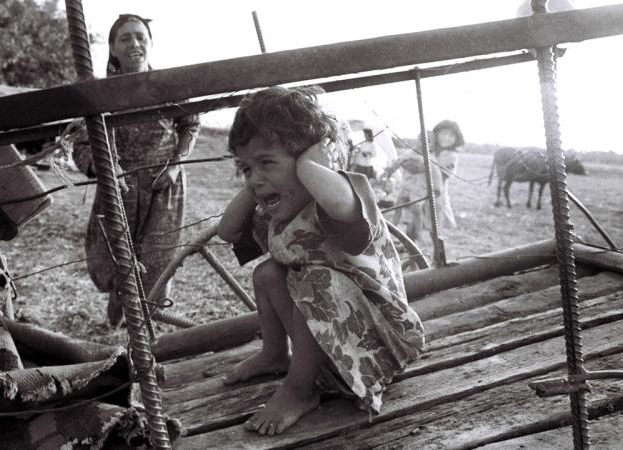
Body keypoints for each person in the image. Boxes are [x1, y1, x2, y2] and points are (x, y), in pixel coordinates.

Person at [218, 86, 425, 435]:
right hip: (328, 344)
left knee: (317, 279)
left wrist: (308, 165)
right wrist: (259, 178)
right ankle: (275, 354)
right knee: (268, 273)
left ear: (311, 162)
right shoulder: (281, 214)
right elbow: (227, 231)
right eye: (245, 167)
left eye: (266, 162)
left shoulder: (339, 195)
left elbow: (342, 205)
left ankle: (299, 391)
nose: (253, 178)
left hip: (376, 344)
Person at [71, 14, 200, 326]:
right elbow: (79, 146)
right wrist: (106, 171)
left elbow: (190, 125)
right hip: (119, 188)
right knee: (114, 260)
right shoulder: (100, 94)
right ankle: (118, 311)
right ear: (113, 48)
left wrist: (175, 165)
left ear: (151, 44)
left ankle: (149, 324)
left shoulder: (168, 87)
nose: (135, 44)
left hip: (164, 186)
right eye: (125, 38)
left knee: (159, 257)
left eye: (141, 37)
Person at [430, 119, 464, 229]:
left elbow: (442, 176)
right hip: (419, 187)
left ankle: (437, 244)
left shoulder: (451, 156)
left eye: (451, 136)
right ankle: (411, 242)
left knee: (435, 222)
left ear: (456, 139)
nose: (446, 138)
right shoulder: (429, 150)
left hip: (437, 191)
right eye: (443, 133)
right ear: (436, 134)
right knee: (414, 220)